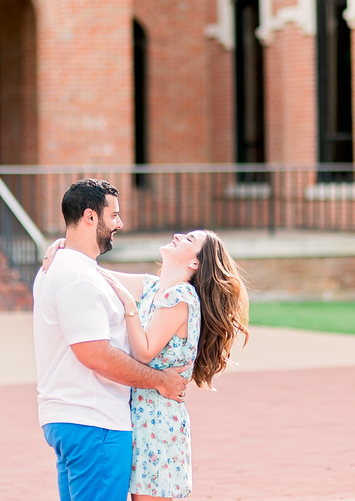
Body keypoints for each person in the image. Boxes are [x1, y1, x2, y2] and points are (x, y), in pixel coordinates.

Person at [44, 228, 250, 501]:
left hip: (158, 424)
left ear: (194, 263)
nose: (178, 235)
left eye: (189, 239)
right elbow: (95, 275)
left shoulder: (181, 297)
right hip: (138, 418)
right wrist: (66, 251)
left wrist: (129, 305)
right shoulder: (154, 287)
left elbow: (143, 352)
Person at [32, 178, 190, 501]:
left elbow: (152, 287)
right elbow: (96, 355)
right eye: (113, 215)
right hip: (95, 423)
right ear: (90, 217)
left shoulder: (69, 268)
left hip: (72, 420)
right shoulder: (79, 278)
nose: (120, 223)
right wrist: (160, 380)